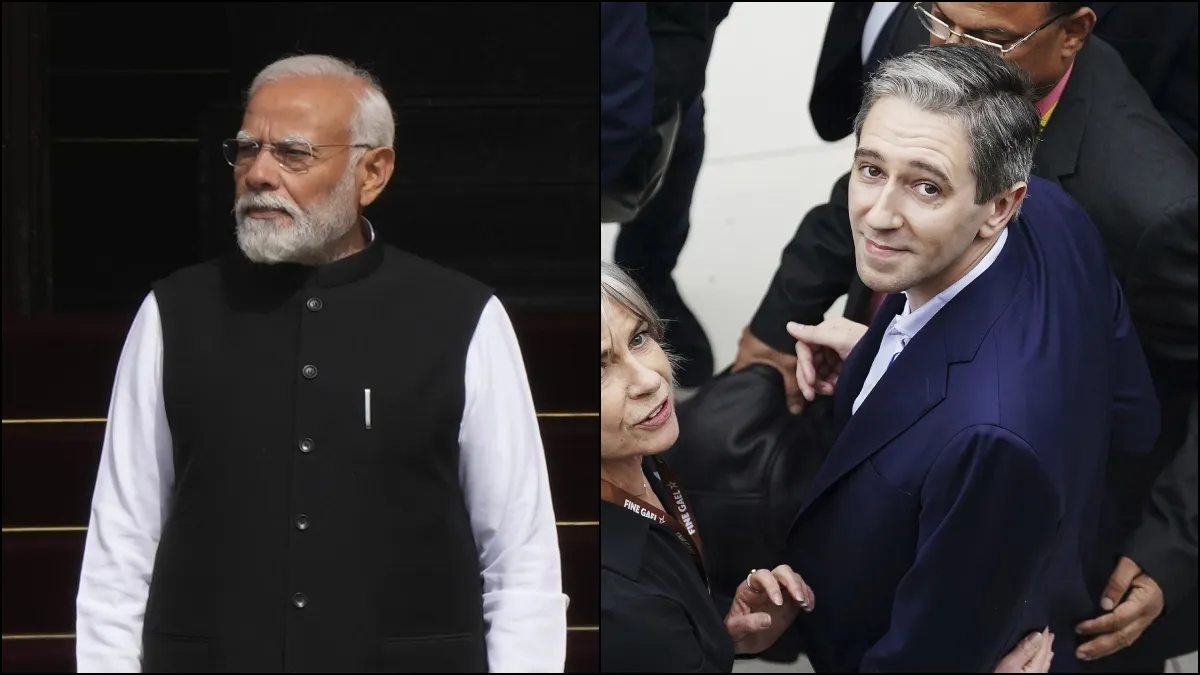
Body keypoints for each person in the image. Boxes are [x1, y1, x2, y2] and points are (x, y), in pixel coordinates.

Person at [732, 4, 1198, 668]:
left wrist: (1166, 546)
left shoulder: (1144, 205)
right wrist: (884, 354)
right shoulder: (1054, 209)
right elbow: (1130, 414)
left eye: (926, 187)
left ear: (1004, 202)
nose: (879, 215)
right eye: (871, 169)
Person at [75, 54, 567, 672]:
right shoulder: (173, 314)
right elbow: (121, 543)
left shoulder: (463, 317)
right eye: (247, 149)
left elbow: (519, 554)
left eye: (293, 153)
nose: (258, 174)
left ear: (373, 172)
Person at [599, 261, 1057, 673]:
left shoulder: (638, 453)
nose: (648, 379)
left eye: (639, 338)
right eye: (598, 369)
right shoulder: (620, 608)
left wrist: (720, 628)